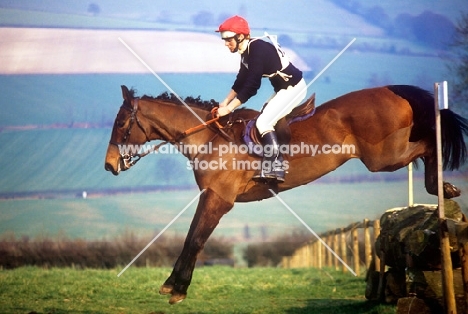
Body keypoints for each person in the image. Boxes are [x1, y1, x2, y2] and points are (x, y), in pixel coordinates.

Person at [216, 15, 307, 183]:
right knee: (263, 116)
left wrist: (229, 109)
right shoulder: (246, 52)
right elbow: (241, 79)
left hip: (293, 89)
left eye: (228, 39)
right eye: (224, 39)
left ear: (240, 37)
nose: (225, 43)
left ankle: (276, 166)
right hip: (282, 89)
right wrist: (225, 101)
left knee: (263, 123)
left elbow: (251, 86)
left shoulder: (257, 51)